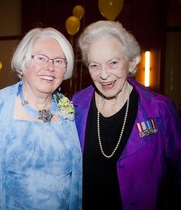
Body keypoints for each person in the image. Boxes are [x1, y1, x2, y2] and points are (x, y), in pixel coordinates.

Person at [0, 27, 82, 209]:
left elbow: (77, 181)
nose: (50, 67)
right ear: (23, 61)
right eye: (41, 58)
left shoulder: (69, 112)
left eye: (59, 61)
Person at [72, 20, 181, 209]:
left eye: (113, 63)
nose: (104, 75)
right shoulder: (76, 105)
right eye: (95, 65)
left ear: (130, 62)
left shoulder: (159, 110)